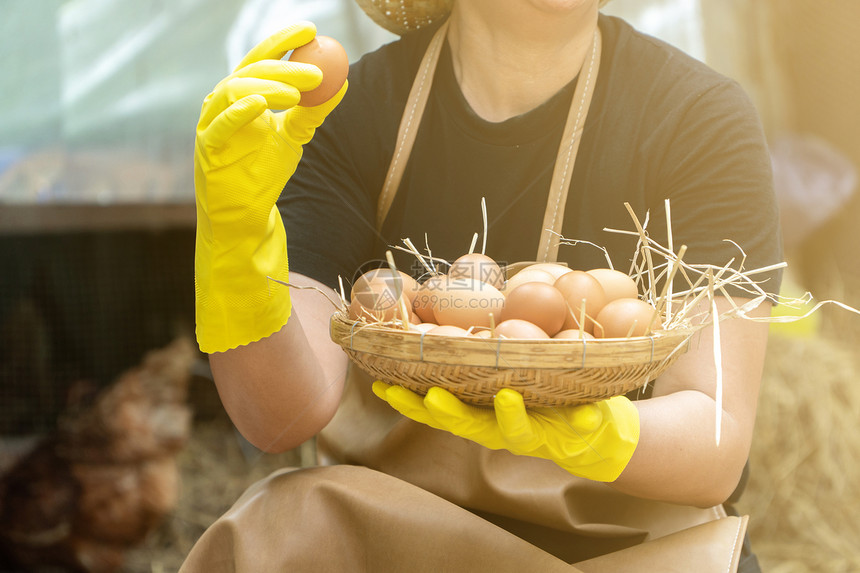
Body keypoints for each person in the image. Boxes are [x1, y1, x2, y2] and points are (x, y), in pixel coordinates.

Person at [185, 0, 782, 570]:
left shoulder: (697, 118)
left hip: (621, 545)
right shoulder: (353, 109)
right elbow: (282, 419)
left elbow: (715, 443)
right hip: (394, 531)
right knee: (268, 532)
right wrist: (236, 241)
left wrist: (597, 433)